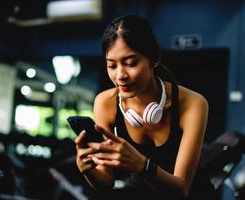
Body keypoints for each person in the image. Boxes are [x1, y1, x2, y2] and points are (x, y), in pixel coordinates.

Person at [75, 14, 217, 200]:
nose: (120, 76)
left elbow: (181, 190)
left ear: (154, 59)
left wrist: (141, 164)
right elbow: (105, 183)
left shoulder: (192, 103)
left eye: (131, 63)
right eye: (112, 66)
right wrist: (86, 169)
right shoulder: (105, 103)